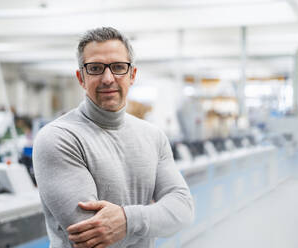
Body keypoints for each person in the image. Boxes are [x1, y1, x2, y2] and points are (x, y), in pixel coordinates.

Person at [33, 27, 194, 248]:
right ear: (81, 77)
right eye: (96, 68)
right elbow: (92, 235)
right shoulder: (58, 138)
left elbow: (183, 209)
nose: (108, 78)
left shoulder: (153, 136)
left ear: (132, 75)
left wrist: (127, 220)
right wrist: (155, 218)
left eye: (118, 67)